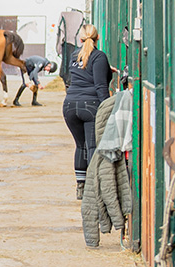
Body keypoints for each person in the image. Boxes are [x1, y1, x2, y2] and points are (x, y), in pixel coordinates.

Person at [63, 24, 111, 201]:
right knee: (92, 147)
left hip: (69, 105)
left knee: (80, 146)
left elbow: (77, 76)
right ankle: (93, 189)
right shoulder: (99, 56)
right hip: (90, 105)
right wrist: (107, 107)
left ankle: (80, 187)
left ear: (80, 39)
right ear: (98, 38)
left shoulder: (74, 55)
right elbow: (100, 85)